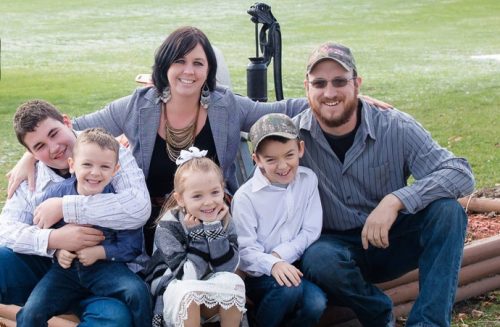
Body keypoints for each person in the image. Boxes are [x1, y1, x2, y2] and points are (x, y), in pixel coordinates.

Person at [6, 26, 392, 256]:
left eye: (198, 63)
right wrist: (29, 159)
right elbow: (72, 133)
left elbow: (285, 107)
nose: (188, 71)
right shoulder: (137, 106)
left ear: (208, 70)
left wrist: (342, 97)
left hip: (211, 217)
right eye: (179, 62)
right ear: (165, 66)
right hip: (144, 225)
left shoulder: (225, 107)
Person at [293, 42, 475, 326]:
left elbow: (460, 173)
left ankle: (428, 322)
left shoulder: (395, 126)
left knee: (447, 213)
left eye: (340, 81)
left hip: (392, 240)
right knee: (319, 258)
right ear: (307, 88)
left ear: (357, 84)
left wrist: (395, 201)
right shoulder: (292, 138)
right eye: (320, 83)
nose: (329, 93)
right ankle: (380, 315)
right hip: (336, 251)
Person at [0, 100, 151, 326]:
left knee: (114, 318)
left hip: (110, 269)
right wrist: (55, 241)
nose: (53, 148)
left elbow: (138, 208)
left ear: (66, 121)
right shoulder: (31, 174)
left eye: (54, 133)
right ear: (30, 153)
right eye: (39, 147)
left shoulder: (108, 153)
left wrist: (64, 207)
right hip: (55, 270)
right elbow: (6, 230)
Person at [232, 113, 327, 327]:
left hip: (293, 266)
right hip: (259, 273)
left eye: (289, 155)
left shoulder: (308, 180)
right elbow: (245, 252)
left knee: (316, 303)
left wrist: (280, 255)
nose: (283, 166)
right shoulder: (246, 197)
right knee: (289, 290)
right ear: (256, 160)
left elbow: (311, 230)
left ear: (300, 149)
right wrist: (273, 263)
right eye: (271, 160)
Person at [143, 147, 245, 327]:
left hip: (210, 286)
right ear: (180, 199)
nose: (208, 202)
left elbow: (227, 268)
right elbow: (186, 276)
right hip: (174, 289)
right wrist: (197, 235)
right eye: (197, 196)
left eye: (215, 192)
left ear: (223, 190)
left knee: (234, 282)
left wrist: (214, 228)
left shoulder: (224, 219)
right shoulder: (168, 226)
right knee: (189, 291)